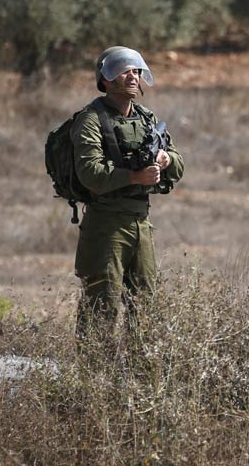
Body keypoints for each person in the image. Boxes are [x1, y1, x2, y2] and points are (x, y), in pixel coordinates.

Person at [72, 46, 184, 345]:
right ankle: (94, 383)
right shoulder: (91, 120)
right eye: (124, 70)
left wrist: (165, 160)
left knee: (146, 309)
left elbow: (178, 161)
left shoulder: (147, 119)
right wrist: (134, 176)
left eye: (136, 71)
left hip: (140, 223)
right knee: (101, 307)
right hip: (105, 225)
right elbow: (90, 173)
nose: (133, 76)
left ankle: (140, 383)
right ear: (105, 79)